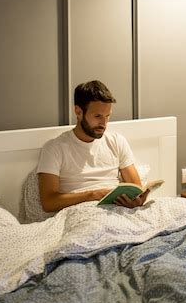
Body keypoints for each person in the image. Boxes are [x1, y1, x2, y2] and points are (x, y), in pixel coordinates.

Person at [37, 80, 149, 212]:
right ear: (78, 112)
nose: (104, 123)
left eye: (107, 116)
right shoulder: (55, 148)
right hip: (83, 212)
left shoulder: (117, 141)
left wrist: (137, 200)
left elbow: (136, 188)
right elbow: (49, 203)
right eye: (98, 116)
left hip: (119, 211)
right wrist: (94, 195)